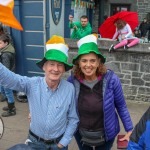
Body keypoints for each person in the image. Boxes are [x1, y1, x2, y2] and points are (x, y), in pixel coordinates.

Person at [0, 35, 79, 149]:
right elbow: (11, 79)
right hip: (35, 142)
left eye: (60, 65)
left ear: (64, 69)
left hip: (59, 144)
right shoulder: (32, 84)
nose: (55, 69)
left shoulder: (69, 89)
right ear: (44, 67)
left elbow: (73, 118)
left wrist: (64, 142)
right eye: (51, 64)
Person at [67, 34, 133, 150]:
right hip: (81, 134)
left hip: (106, 134)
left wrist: (130, 129)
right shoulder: (72, 80)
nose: (88, 65)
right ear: (79, 63)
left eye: (92, 60)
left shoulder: (111, 79)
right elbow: (62, 102)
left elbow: (121, 105)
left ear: (98, 62)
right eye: (84, 61)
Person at [0, 34, 16, 117]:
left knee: (8, 92)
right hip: (6, 77)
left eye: (0, 43)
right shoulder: (8, 49)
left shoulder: (6, 54)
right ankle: (10, 105)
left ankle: (12, 110)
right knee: (3, 91)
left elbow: (5, 68)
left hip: (6, 78)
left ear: (6, 43)